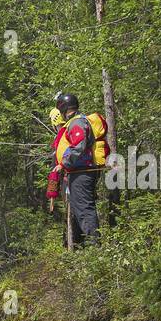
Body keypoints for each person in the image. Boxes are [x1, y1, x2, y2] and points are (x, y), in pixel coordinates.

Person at [51, 92, 110, 247]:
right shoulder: (76, 121)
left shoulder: (77, 123)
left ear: (63, 108)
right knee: (80, 208)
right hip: (78, 172)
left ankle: (95, 246)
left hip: (82, 173)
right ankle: (87, 245)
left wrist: (63, 163)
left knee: (84, 208)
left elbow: (79, 145)